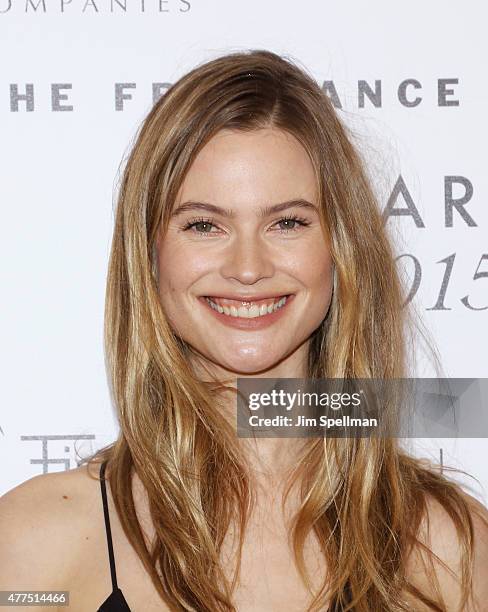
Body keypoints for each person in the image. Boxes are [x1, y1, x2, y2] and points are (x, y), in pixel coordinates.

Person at [1, 49, 487, 612]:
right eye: (204, 225)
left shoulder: (448, 547)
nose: (248, 266)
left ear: (341, 248)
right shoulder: (38, 544)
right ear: (150, 255)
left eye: (287, 222)